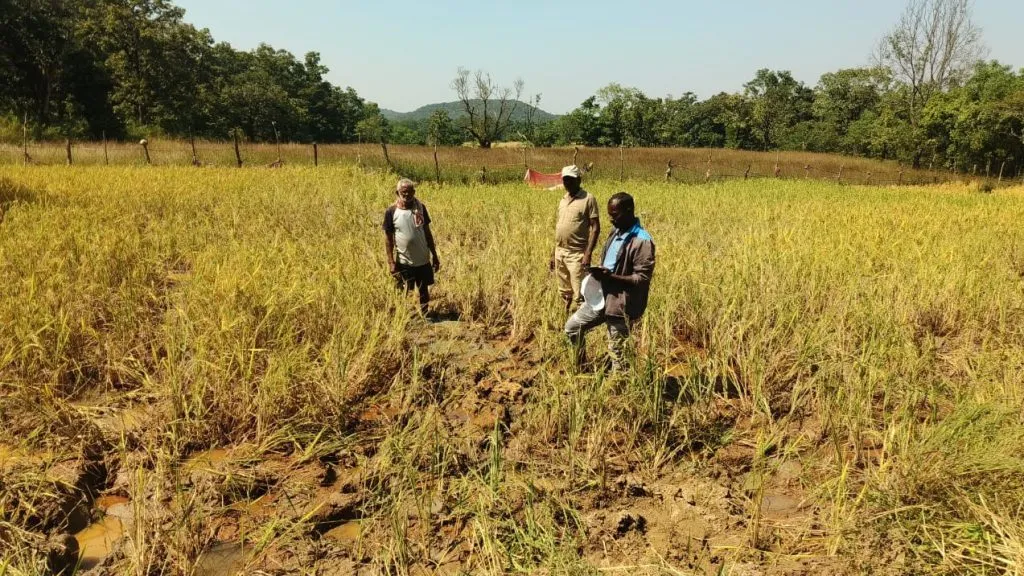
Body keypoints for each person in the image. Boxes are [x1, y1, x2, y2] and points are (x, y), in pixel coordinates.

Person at [564, 192, 655, 371]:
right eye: (609, 215)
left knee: (618, 355)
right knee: (572, 328)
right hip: (599, 297)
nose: (611, 219)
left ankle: (619, 385)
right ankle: (582, 369)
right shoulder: (616, 231)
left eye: (615, 215)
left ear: (629, 211)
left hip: (621, 303)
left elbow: (642, 278)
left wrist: (610, 277)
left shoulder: (642, 241)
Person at [383, 178, 441, 315]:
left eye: (410, 191)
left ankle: (425, 315)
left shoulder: (420, 208)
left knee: (423, 289)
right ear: (397, 192)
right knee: (403, 290)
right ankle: (401, 316)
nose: (407, 194)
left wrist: (434, 255)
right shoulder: (391, 211)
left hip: (422, 258)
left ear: (414, 192)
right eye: (403, 192)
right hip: (404, 260)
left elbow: (427, 233)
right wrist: (391, 262)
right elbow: (388, 239)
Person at [549, 165, 601, 312]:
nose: (567, 183)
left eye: (571, 180)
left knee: (580, 292)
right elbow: (559, 227)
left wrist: (588, 254)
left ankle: (582, 320)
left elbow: (595, 227)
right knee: (564, 290)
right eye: (565, 180)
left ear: (579, 180)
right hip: (560, 251)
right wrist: (553, 253)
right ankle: (565, 314)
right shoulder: (563, 199)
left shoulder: (588, 199)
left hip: (577, 253)